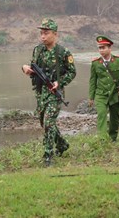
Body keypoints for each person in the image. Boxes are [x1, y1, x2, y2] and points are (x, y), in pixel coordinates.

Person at [21, 18, 76, 166]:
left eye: (46, 33)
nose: (43, 36)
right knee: (44, 123)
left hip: (54, 93)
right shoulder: (38, 50)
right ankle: (62, 144)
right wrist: (25, 69)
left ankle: (48, 155)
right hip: (40, 92)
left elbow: (72, 72)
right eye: (41, 33)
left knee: (49, 123)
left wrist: (60, 82)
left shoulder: (63, 52)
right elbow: (33, 68)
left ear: (55, 34)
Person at [89, 35, 119, 141]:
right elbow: (92, 80)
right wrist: (91, 97)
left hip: (115, 94)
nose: (101, 50)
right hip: (101, 94)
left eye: (103, 47)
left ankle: (113, 138)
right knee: (101, 114)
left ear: (109, 48)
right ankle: (102, 139)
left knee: (114, 118)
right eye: (99, 48)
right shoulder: (95, 63)